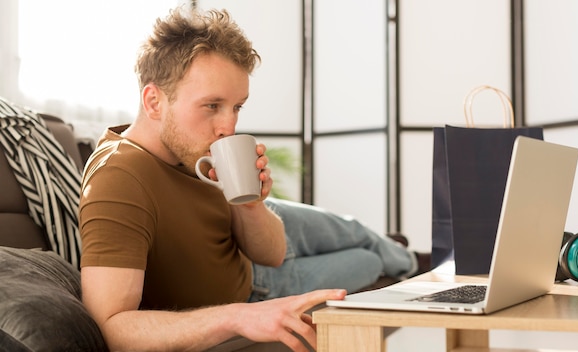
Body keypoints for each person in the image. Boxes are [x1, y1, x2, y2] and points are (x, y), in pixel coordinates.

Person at [79, 6, 429, 352]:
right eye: (212, 106)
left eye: (237, 107)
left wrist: (250, 203)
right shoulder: (119, 179)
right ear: (154, 101)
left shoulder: (189, 147)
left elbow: (272, 252)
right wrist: (238, 316)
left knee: (354, 230)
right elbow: (111, 325)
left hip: (253, 238)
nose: (228, 127)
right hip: (256, 287)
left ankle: (415, 259)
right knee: (368, 262)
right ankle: (405, 259)